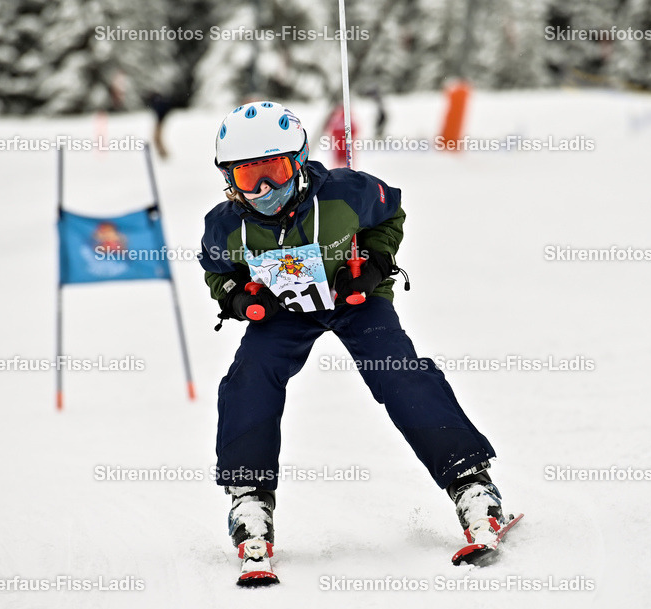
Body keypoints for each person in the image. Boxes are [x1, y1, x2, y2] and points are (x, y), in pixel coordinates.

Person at [199, 101, 504, 581]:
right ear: (228, 179)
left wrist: (377, 265)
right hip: (284, 312)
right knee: (249, 378)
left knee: (398, 371)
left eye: (274, 171)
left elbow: (391, 213)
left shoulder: (346, 194)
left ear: (298, 162)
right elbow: (218, 271)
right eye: (246, 177)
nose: (263, 190)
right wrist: (240, 298)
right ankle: (249, 499)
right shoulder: (225, 224)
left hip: (354, 297)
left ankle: (471, 484)